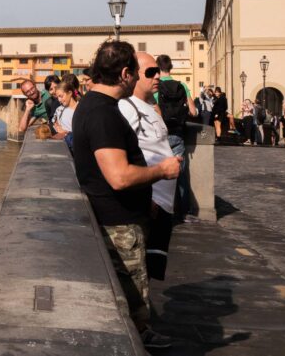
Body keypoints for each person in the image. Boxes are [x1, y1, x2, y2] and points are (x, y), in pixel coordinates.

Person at [72, 40, 180, 349]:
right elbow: (118, 177)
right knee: (130, 300)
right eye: (136, 71)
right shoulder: (103, 115)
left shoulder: (92, 106)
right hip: (119, 223)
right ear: (124, 74)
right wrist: (163, 171)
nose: (138, 77)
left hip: (122, 215)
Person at [118, 53, 183, 282]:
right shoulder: (128, 108)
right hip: (149, 205)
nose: (157, 76)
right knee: (140, 275)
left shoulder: (149, 107)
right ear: (134, 75)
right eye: (150, 72)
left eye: (157, 71)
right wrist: (145, 197)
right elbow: (123, 154)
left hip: (162, 206)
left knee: (152, 272)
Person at [153, 54, 196, 219]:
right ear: (171, 68)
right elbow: (193, 112)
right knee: (180, 174)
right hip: (177, 134)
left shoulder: (156, 86)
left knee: (157, 173)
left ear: (157, 68)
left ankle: (161, 210)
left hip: (160, 135)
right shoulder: (182, 86)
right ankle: (185, 211)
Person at [52, 75, 81, 144]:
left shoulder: (81, 110)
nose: (59, 100)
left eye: (61, 96)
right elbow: (55, 124)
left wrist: (65, 132)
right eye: (58, 97)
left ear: (70, 93)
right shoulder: (59, 109)